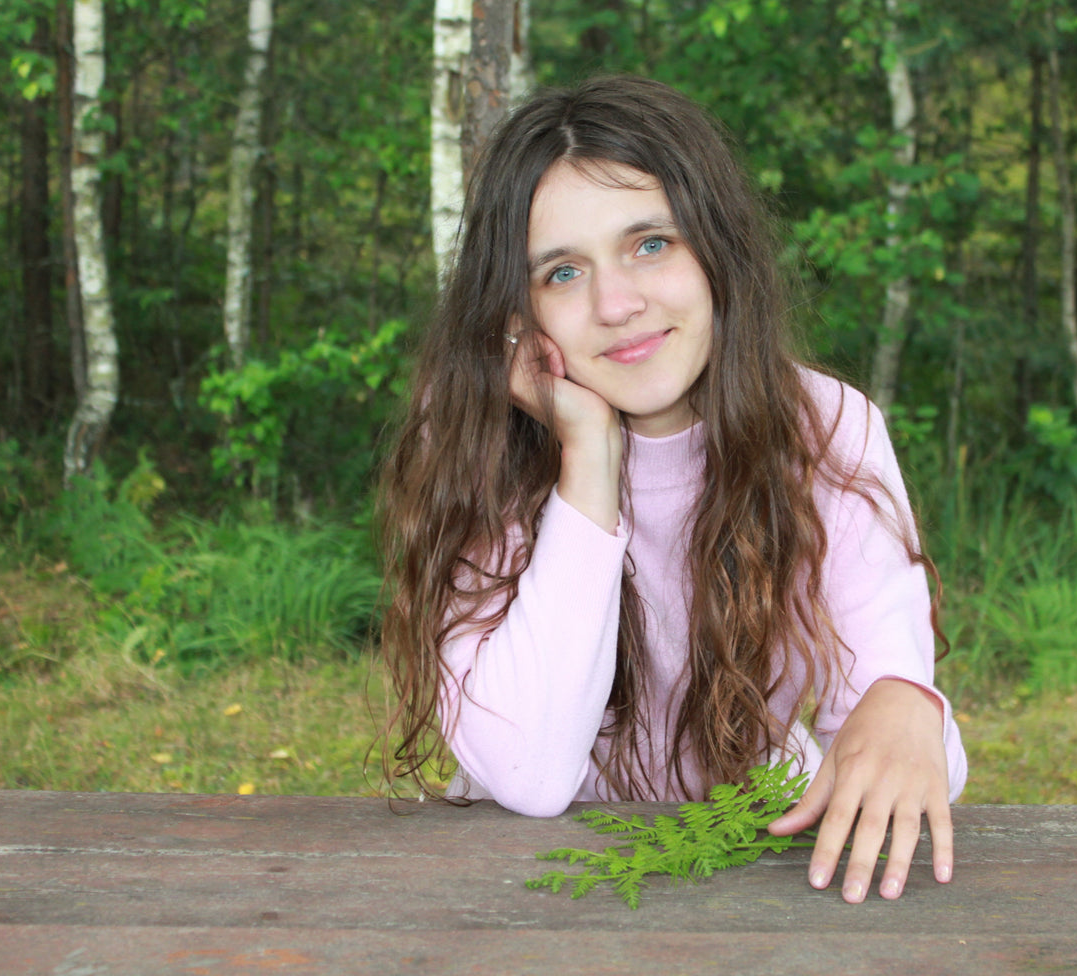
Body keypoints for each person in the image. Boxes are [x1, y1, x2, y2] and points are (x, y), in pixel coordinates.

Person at [379, 75, 966, 903]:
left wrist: (909, 704)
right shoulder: (481, 446)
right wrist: (590, 457)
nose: (618, 304)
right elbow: (531, 772)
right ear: (516, 312)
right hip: (531, 891)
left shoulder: (828, 429)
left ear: (716, 247)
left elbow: (898, 741)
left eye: (651, 243)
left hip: (752, 871)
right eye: (561, 272)